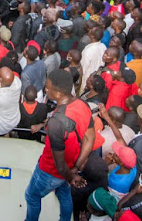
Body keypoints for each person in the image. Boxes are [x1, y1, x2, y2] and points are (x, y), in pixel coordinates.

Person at [25, 69, 95, 221]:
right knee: (64, 194)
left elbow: (60, 166)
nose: (45, 89)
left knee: (31, 196)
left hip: (50, 171)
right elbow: (89, 139)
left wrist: (71, 176)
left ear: (57, 94)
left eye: (48, 87)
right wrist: (75, 168)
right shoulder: (83, 104)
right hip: (69, 168)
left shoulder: (57, 123)